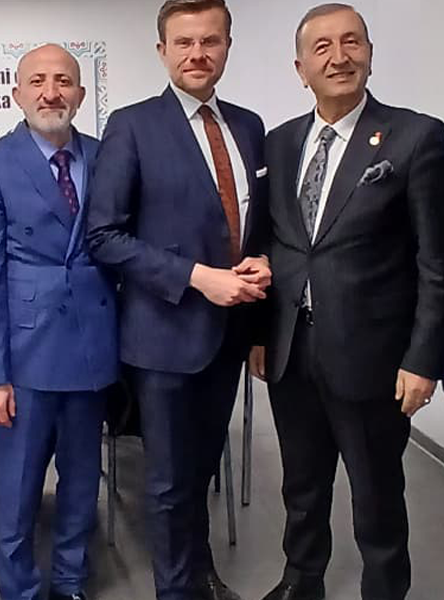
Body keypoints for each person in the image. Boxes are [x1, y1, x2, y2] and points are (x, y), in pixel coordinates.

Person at [248, 4, 444, 600]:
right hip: (291, 351)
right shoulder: (280, 143)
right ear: (300, 69)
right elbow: (272, 244)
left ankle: (384, 589)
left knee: (376, 493)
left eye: (352, 42)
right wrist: (259, 334)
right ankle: (301, 580)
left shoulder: (416, 137)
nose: (340, 57)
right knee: (301, 486)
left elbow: (436, 262)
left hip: (373, 357)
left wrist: (424, 359)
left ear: (370, 54)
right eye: (323, 47)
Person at [86, 1, 271, 598]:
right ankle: (175, 590)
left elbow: (254, 225)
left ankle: (200, 572)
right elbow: (103, 236)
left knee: (200, 470)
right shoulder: (132, 125)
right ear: (162, 50)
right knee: (167, 484)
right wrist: (196, 276)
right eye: (184, 43)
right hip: (163, 337)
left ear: (227, 46)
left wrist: (263, 261)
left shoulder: (249, 126)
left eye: (210, 41)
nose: (198, 54)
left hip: (230, 335)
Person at [0, 44, 118, 600]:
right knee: (17, 490)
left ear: (81, 92)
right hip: (24, 357)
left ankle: (71, 581)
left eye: (63, 81)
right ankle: (20, 590)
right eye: (37, 81)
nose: (51, 92)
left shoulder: (105, 156)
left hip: (93, 347)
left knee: (81, 483)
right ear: (17, 94)